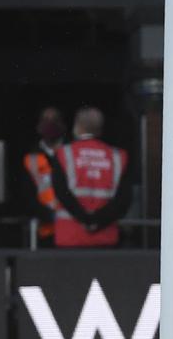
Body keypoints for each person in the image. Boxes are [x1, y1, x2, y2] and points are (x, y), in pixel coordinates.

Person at [48, 106, 131, 248]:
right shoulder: (118, 157)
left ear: (77, 126)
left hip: (69, 237)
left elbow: (61, 193)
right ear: (100, 128)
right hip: (105, 237)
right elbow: (123, 200)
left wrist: (85, 219)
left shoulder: (64, 154)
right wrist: (96, 221)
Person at [17, 106, 67, 247]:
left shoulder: (72, 154)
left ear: (63, 125)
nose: (50, 124)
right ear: (39, 126)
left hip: (72, 230)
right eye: (46, 120)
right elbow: (27, 195)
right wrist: (47, 215)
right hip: (44, 232)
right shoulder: (31, 158)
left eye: (55, 120)